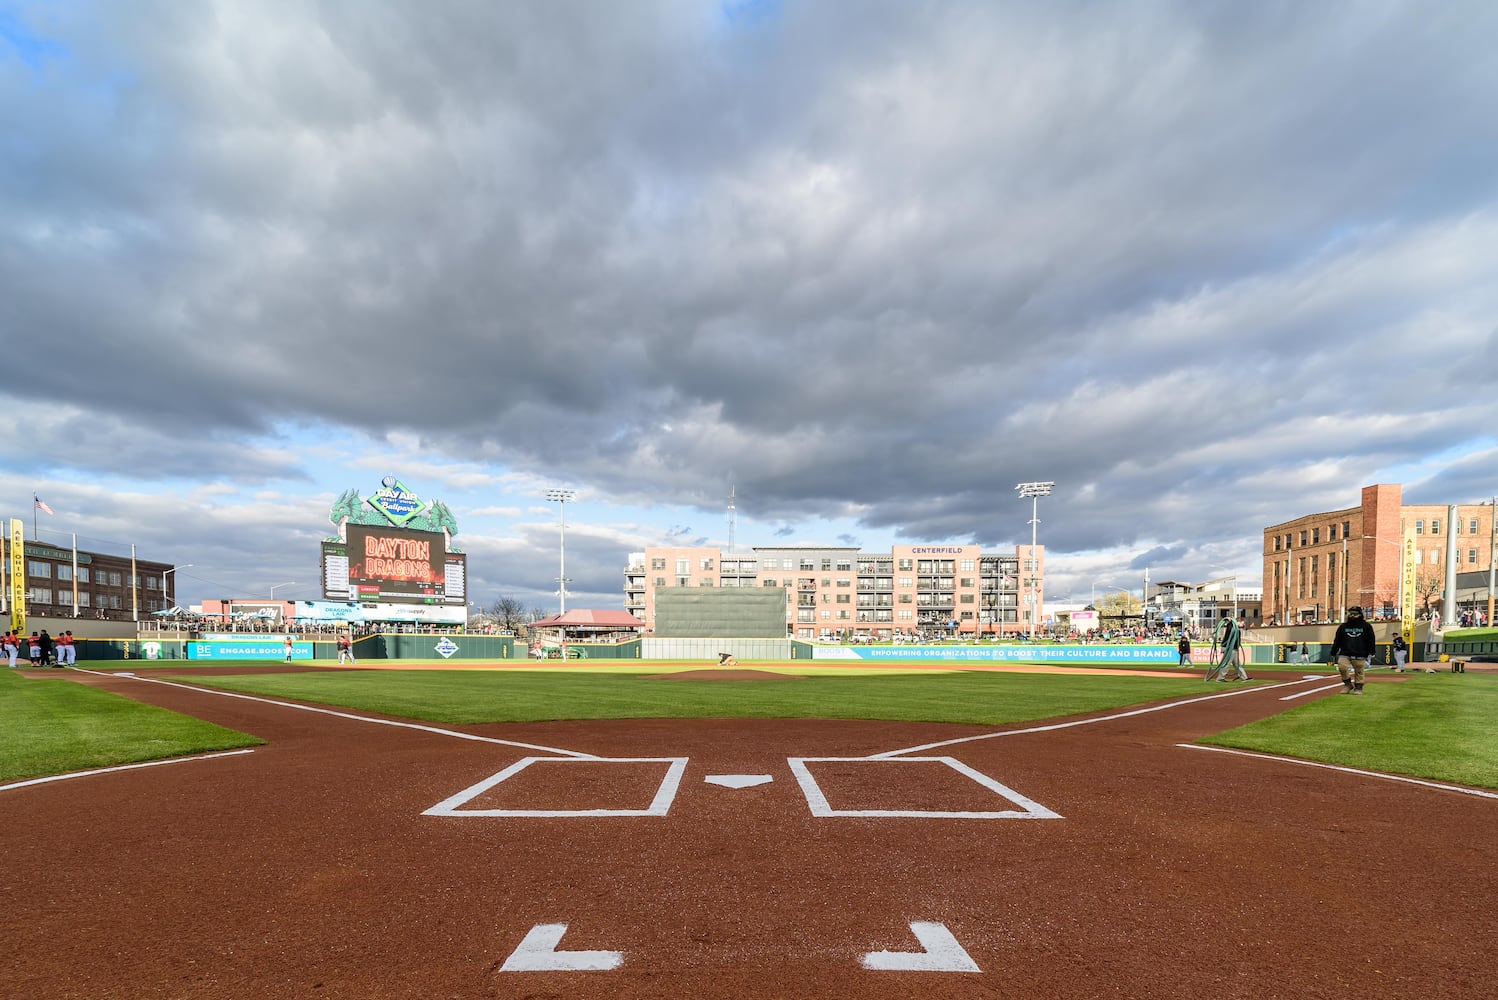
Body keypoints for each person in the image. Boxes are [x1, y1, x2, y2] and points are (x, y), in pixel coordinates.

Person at [1328, 606, 1376, 694]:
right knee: (1342, 667)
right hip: (1345, 652)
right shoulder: (1343, 627)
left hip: (1360, 652)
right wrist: (1334, 651)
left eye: (1355, 614)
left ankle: (1358, 688)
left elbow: (1371, 639)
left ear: (1360, 615)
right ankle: (1347, 684)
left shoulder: (1366, 626)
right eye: (1351, 614)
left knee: (1359, 671)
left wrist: (1371, 651)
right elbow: (1337, 640)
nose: (1352, 616)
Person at [1205, 616, 1248, 682]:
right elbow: (1229, 628)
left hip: (1233, 649)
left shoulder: (1237, 630)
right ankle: (1220, 678)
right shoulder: (1232, 627)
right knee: (1226, 663)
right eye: (1242, 623)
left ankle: (1244, 677)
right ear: (1238, 622)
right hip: (1229, 648)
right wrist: (1230, 621)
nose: (1243, 624)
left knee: (1237, 664)